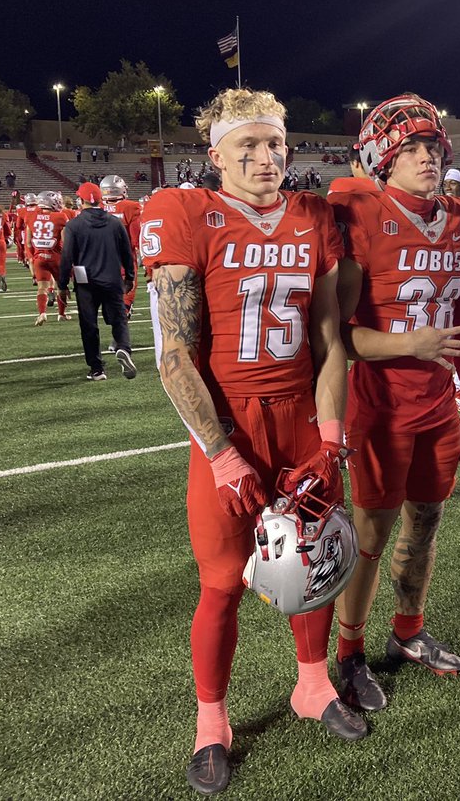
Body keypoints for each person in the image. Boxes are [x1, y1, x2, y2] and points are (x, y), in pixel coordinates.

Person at [141, 88, 359, 795]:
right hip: (229, 421)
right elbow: (174, 357)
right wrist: (222, 453)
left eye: (276, 146)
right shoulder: (182, 214)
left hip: (301, 414)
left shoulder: (313, 216)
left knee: (318, 556)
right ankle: (212, 722)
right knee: (222, 581)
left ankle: (313, 685)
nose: (267, 159)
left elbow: (330, 338)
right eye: (249, 148)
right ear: (217, 156)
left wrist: (330, 433)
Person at [329, 94, 460, 713]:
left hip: (440, 404)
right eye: (412, 150)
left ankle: (408, 632)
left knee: (427, 521)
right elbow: (339, 335)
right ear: (382, 161)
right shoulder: (360, 210)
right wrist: (410, 342)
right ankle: (349, 651)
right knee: (371, 532)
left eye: (432, 148)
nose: (426, 158)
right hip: (380, 405)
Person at [59, 186, 136, 381]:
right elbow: (127, 252)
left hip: (86, 282)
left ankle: (96, 368)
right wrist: (130, 276)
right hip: (112, 278)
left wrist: (62, 285)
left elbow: (67, 258)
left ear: (81, 200)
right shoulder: (114, 223)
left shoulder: (73, 226)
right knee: (119, 318)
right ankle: (123, 347)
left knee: (89, 325)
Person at [98, 175, 142, 320]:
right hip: (123, 259)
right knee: (126, 297)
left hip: (100, 259)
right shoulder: (131, 207)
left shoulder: (96, 207)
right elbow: (136, 237)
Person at [24, 192, 71, 325]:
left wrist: (35, 255)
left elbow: (28, 242)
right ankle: (61, 314)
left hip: (39, 257)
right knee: (61, 286)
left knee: (42, 287)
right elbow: (65, 242)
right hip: (55, 256)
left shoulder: (31, 216)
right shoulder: (60, 216)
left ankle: (42, 313)